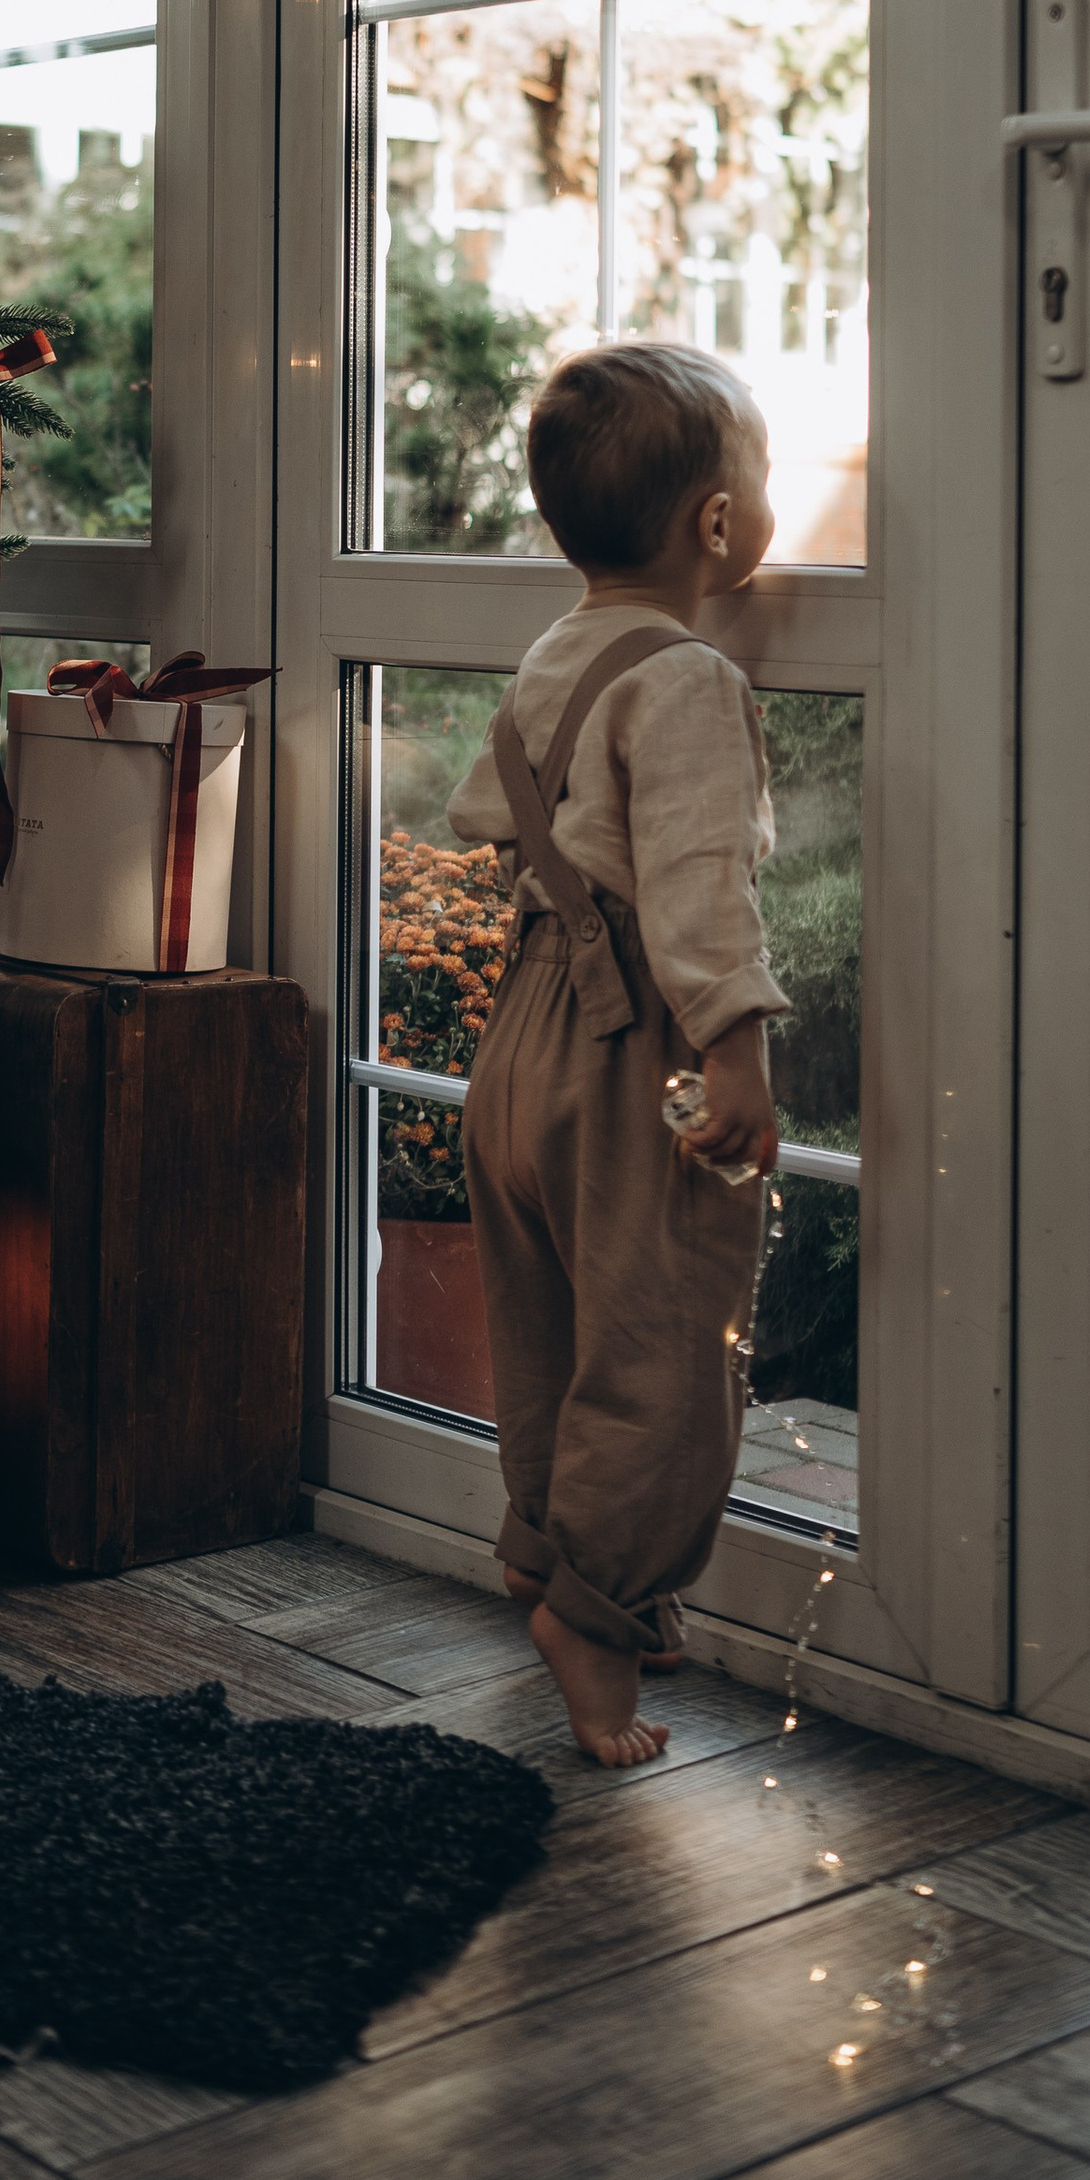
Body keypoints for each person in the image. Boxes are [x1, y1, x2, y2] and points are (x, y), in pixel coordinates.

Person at [446, 340, 786, 1768]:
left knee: (547, 1327)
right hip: (632, 1041)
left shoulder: (558, 652)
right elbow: (701, 881)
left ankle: (541, 1551)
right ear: (717, 525)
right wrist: (738, 1049)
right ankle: (597, 1620)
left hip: (521, 1030)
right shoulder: (690, 677)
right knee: (661, 1353)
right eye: (759, 484)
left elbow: (484, 808)